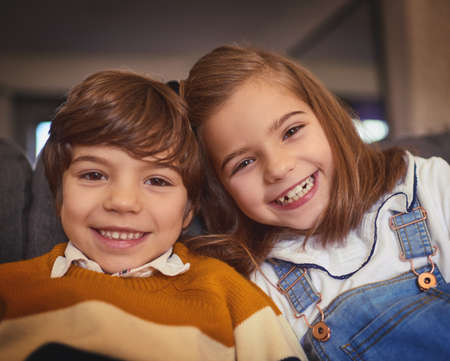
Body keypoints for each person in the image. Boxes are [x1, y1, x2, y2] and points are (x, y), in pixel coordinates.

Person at [0, 70, 305, 361]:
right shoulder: (10, 288)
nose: (122, 202)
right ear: (59, 195)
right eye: (93, 175)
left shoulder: (229, 294)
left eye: (157, 181)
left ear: (189, 211)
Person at [183, 45, 450, 360]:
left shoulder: (427, 185)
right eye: (243, 163)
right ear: (221, 192)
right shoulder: (261, 286)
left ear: (327, 119)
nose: (279, 168)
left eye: (291, 131)